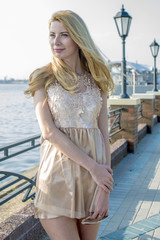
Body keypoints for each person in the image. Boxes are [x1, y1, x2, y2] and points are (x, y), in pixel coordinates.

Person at [24, 10, 114, 240]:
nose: (56, 41)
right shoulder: (43, 77)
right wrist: (94, 168)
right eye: (52, 35)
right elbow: (48, 131)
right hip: (57, 179)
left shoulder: (98, 78)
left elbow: (104, 134)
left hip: (92, 182)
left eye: (64, 34)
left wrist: (104, 188)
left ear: (78, 37)